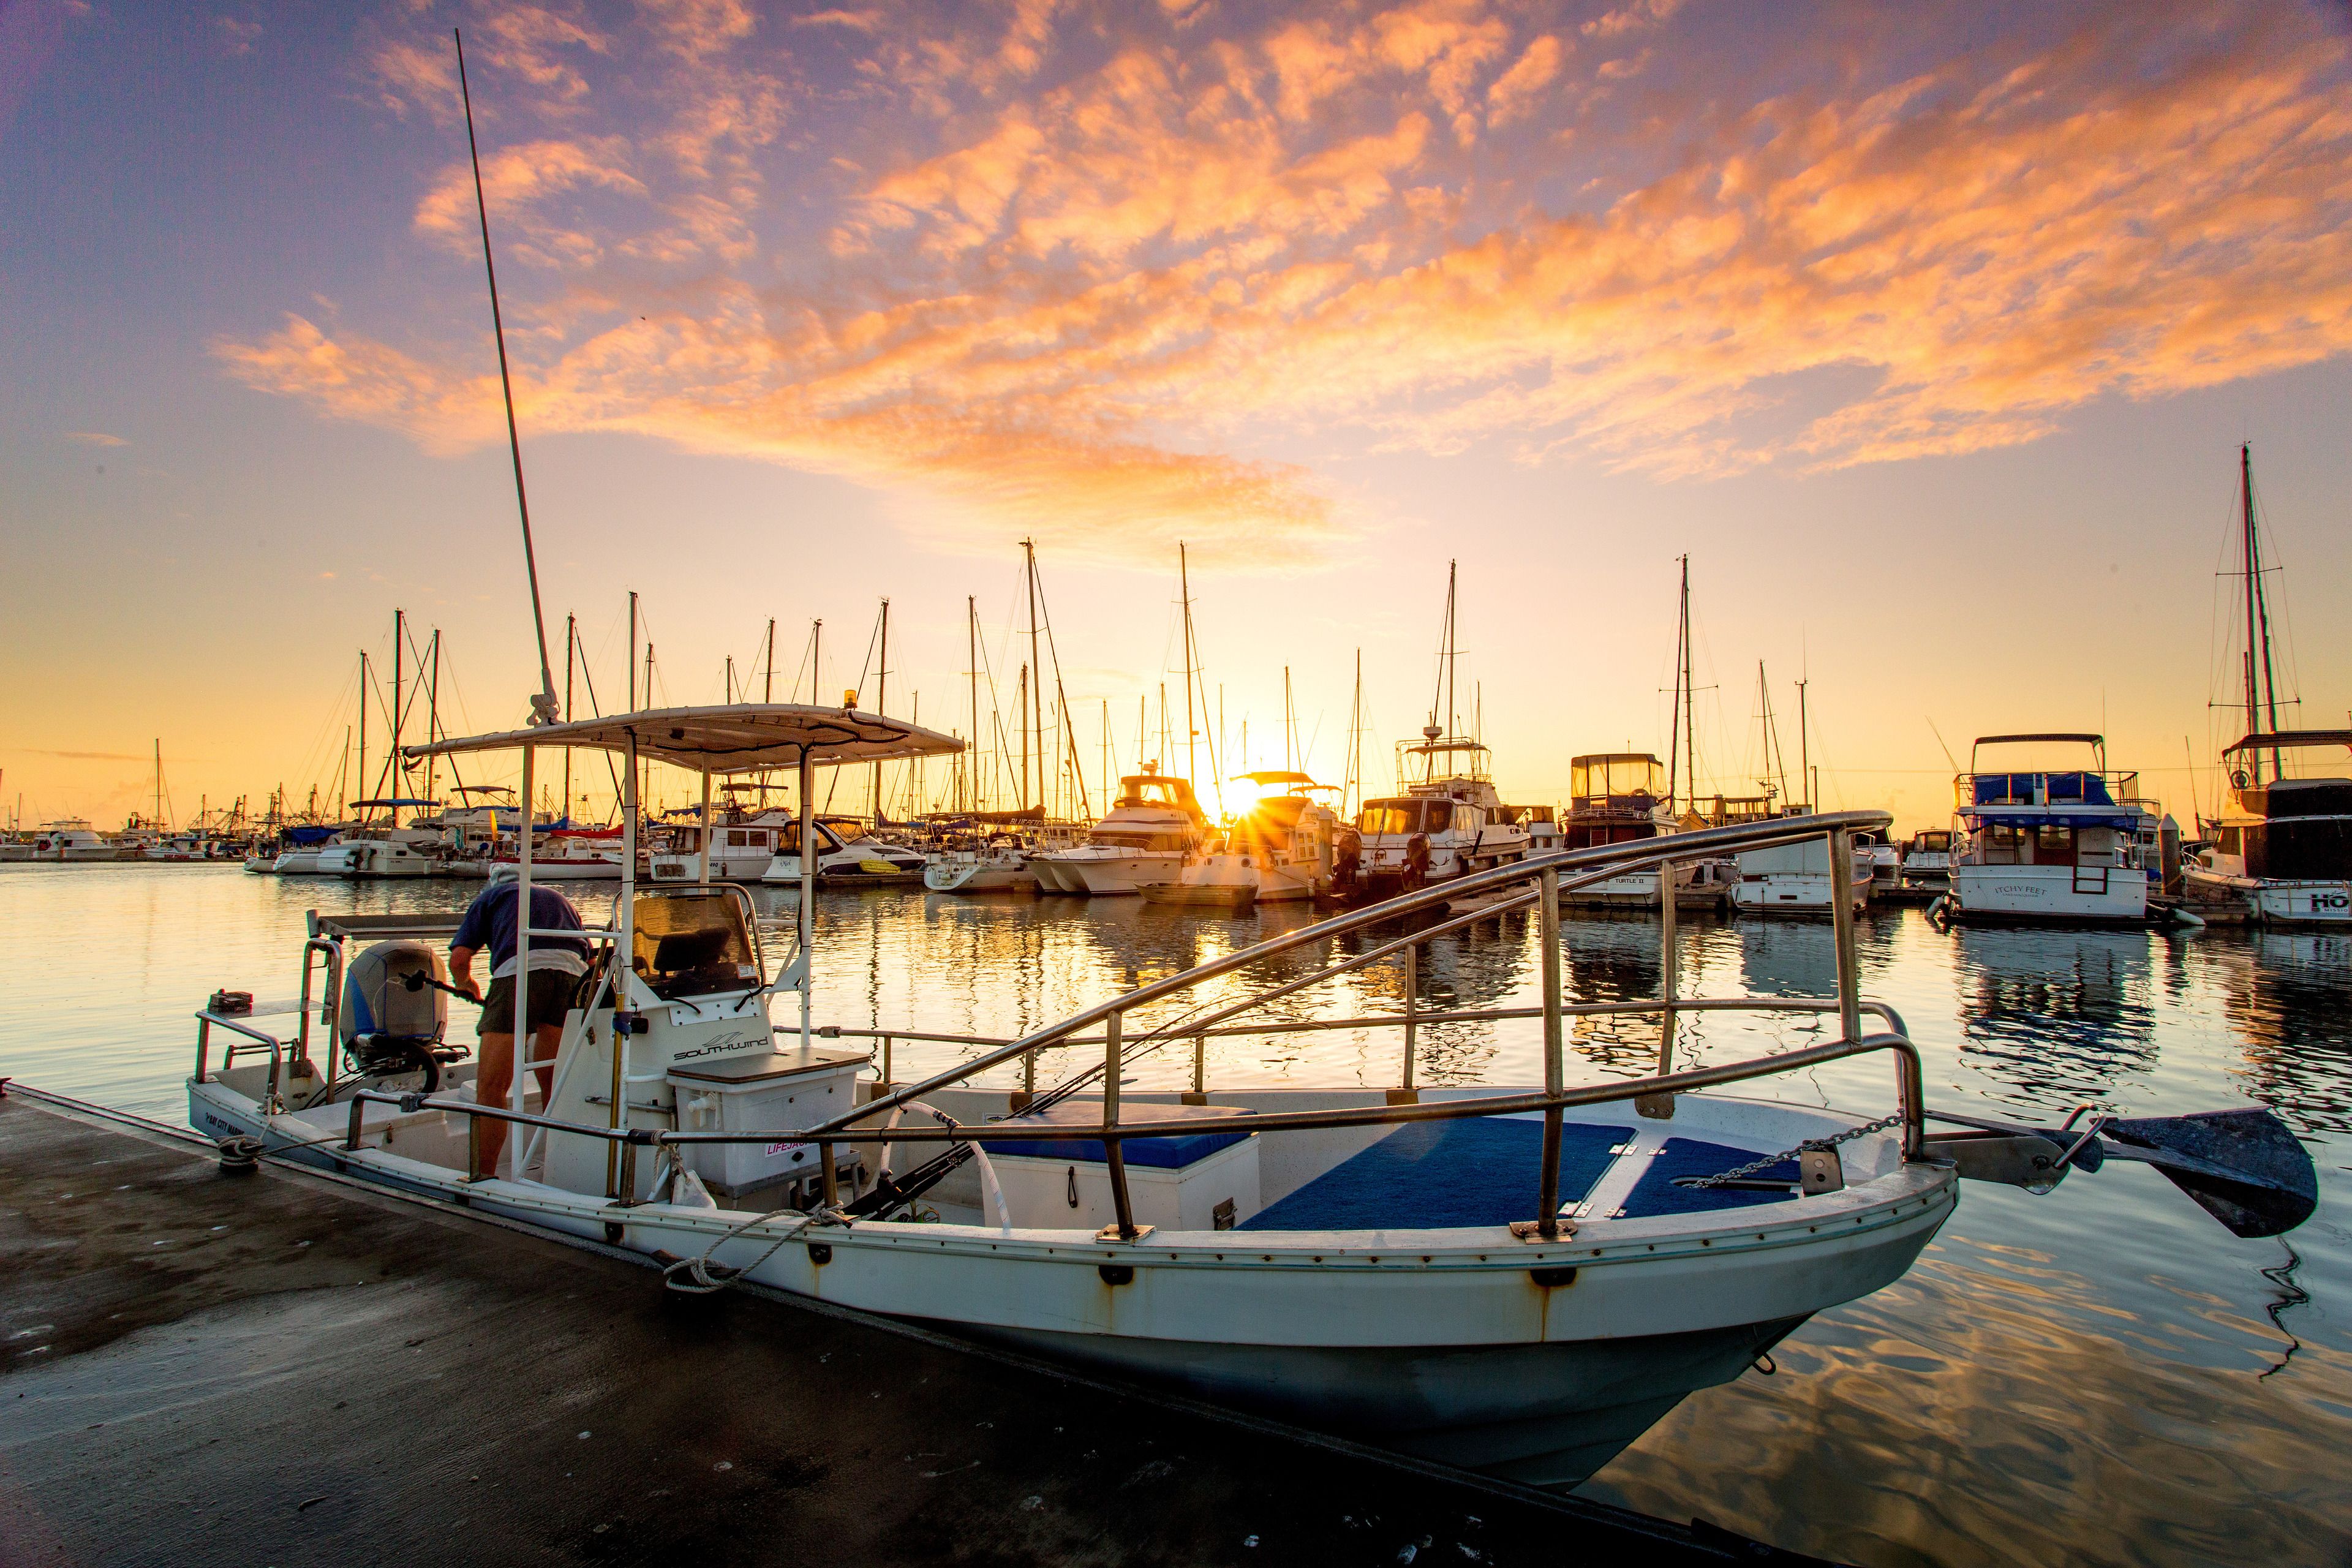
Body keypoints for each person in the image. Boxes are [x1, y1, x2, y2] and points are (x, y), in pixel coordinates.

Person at [450, 869, 592, 1179]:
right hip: (572, 977)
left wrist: (465, 984)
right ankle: (559, 1167)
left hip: (521, 972)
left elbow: (460, 959)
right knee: (553, 1080)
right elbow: (591, 959)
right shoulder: (559, 899)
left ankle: (483, 1175)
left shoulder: (490, 897)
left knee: (491, 1086)